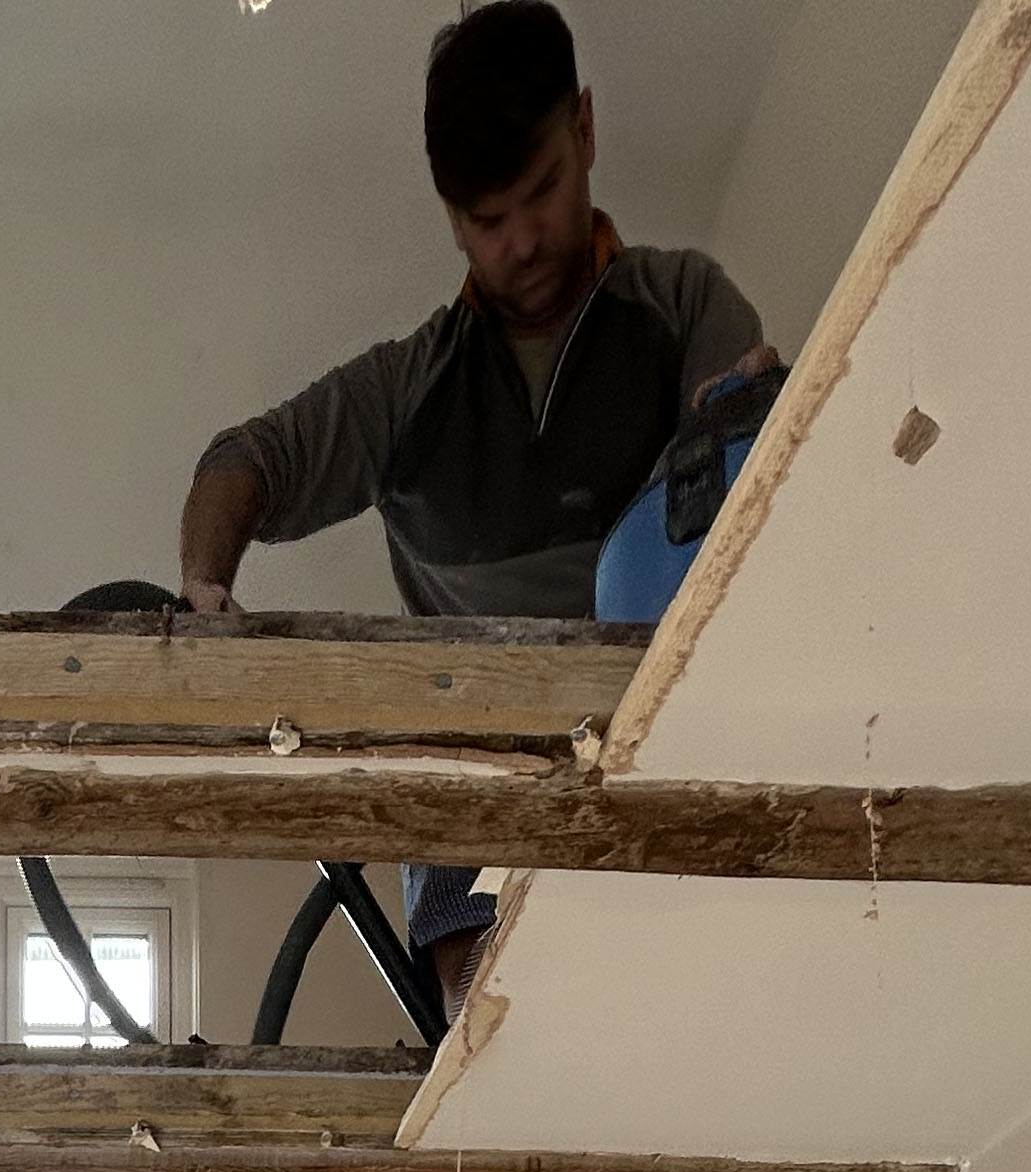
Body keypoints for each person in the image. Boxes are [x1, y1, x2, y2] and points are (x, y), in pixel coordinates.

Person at [178, 2, 773, 1007]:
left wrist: (759, 419)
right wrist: (203, 583)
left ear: (585, 131)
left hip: (659, 741)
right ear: (452, 216)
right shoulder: (411, 392)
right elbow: (247, 459)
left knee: (693, 1001)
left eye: (542, 194)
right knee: (503, 1036)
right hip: (479, 789)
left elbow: (742, 482)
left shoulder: (680, 310)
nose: (525, 242)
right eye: (487, 222)